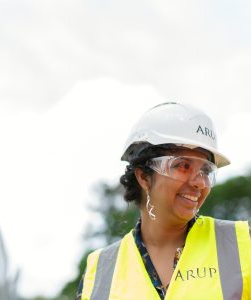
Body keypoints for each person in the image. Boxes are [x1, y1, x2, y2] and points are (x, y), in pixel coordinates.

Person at [76, 102, 251, 300]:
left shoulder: (243, 244)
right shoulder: (99, 273)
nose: (200, 182)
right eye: (183, 166)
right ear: (143, 177)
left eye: (206, 171)